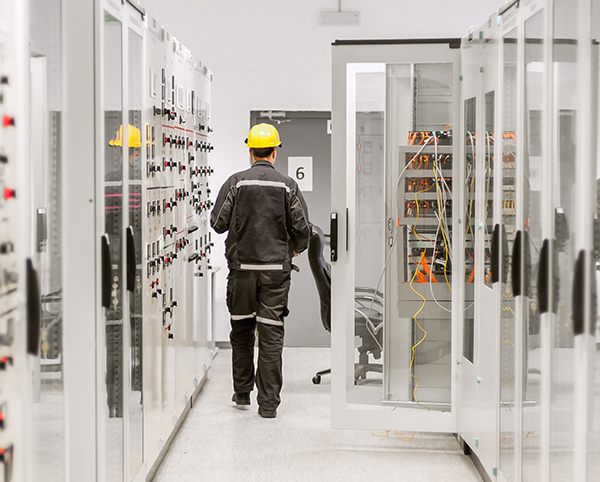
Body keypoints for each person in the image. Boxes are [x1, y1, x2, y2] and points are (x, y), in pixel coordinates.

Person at [210, 123, 311, 418]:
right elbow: (303, 229)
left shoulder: (235, 183)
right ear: (275, 152)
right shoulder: (287, 185)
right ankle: (268, 405)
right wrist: (293, 249)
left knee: (241, 331)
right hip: (275, 274)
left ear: (250, 150)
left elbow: (218, 224)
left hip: (241, 272)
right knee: (270, 335)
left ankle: (242, 393)